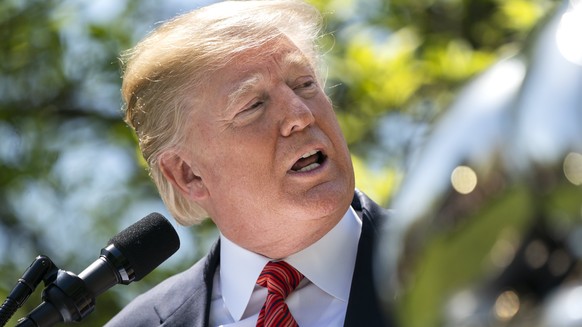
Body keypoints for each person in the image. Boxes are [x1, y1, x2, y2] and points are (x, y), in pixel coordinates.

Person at [105, 0, 392, 326]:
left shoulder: (450, 259)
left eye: (304, 84)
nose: (300, 114)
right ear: (188, 174)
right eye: (253, 105)